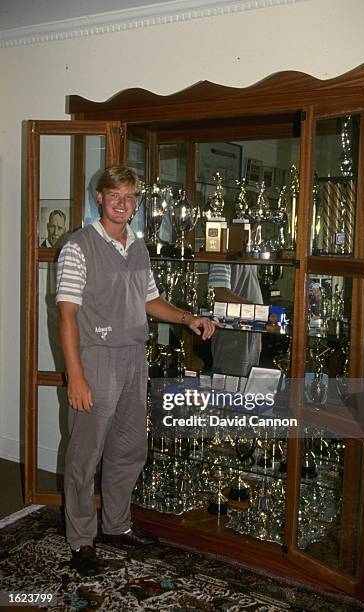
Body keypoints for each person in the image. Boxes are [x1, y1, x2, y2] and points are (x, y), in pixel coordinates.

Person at [56, 165, 218, 576]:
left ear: (136, 202)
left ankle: (116, 525)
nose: (122, 203)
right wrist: (75, 375)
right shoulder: (78, 247)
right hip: (95, 358)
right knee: (85, 453)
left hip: (133, 357)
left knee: (129, 448)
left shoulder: (139, 247)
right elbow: (67, 315)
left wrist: (186, 318)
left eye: (130, 197)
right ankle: (80, 540)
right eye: (115, 195)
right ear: (100, 197)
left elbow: (150, 300)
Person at [208, 263, 263, 377]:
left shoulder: (247, 254)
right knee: (228, 387)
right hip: (232, 334)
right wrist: (254, 308)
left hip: (250, 332)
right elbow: (219, 293)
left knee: (246, 385)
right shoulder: (222, 253)